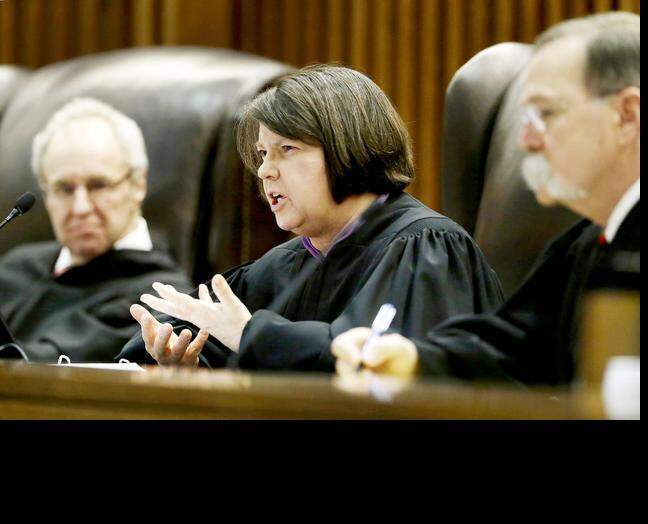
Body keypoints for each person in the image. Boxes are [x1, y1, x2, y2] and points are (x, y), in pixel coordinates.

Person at [116, 64, 503, 371]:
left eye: (287, 148)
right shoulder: (280, 267)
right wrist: (179, 357)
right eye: (263, 154)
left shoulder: (426, 249)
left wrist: (253, 335)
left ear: (350, 148)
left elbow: (384, 372)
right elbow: (216, 345)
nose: (265, 170)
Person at [332, 12, 640, 385]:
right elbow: (515, 348)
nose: (525, 140)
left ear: (627, 116)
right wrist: (410, 357)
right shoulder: (590, 239)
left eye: (545, 113)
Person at [0, 98, 191, 363]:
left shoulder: (159, 300)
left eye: (98, 185)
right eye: (64, 189)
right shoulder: (16, 267)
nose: (80, 208)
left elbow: (42, 368)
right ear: (45, 193)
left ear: (138, 185)